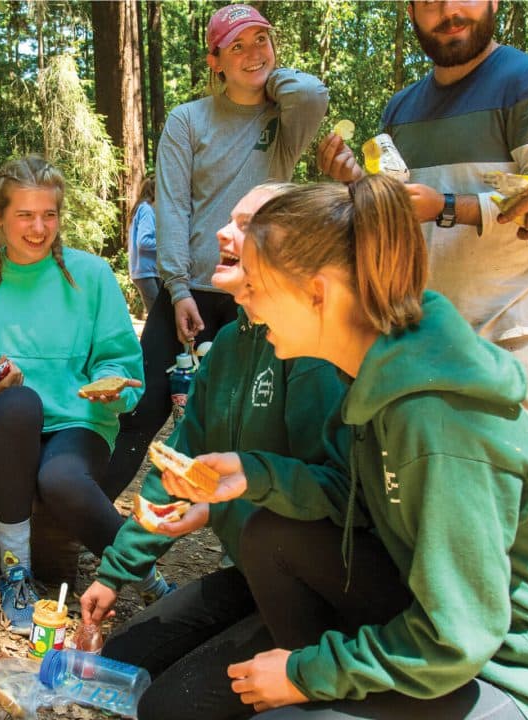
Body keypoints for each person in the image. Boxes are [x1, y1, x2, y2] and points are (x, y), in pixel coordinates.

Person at [169, 174, 528, 719]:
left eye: (255, 284)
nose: (242, 298)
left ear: (317, 292)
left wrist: (307, 676)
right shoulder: (374, 373)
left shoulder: (436, 423)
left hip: (504, 669)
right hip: (434, 619)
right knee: (271, 532)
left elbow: (458, 637)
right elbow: (357, 494)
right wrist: (256, 474)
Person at [80, 184, 364, 720]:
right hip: (253, 573)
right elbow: (181, 463)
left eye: (245, 223)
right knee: (124, 660)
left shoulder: (314, 352)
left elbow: (328, 498)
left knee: (169, 708)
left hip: (313, 586)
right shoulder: (232, 342)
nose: (222, 233)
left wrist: (222, 502)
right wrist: (114, 573)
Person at [0, 155, 172, 635]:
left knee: (62, 482)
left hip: (77, 422)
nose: (38, 227)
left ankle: (149, 583)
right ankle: (15, 573)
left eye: (49, 214)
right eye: (24, 215)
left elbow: (119, 362)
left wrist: (114, 390)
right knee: (21, 403)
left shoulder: (90, 276)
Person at [104, 4, 329, 498]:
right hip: (193, 293)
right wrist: (178, 288)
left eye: (261, 41)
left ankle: (244, 549)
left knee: (255, 420)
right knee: (144, 412)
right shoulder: (189, 121)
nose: (253, 54)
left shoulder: (284, 123)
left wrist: (270, 79)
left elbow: (313, 93)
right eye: (237, 46)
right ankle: (89, 517)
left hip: (261, 295)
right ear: (215, 61)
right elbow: (174, 208)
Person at [317, 0, 528, 445]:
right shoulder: (401, 110)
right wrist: (356, 180)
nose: (448, 11)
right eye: (429, 2)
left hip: (514, 338)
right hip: (426, 345)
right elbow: (401, 214)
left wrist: (445, 205)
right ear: (409, 13)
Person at [127, 174, 160, 315]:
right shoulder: (146, 209)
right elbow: (144, 241)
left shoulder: (143, 208)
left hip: (148, 270)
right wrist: (165, 245)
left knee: (158, 315)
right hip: (145, 271)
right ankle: (151, 338)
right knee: (156, 316)